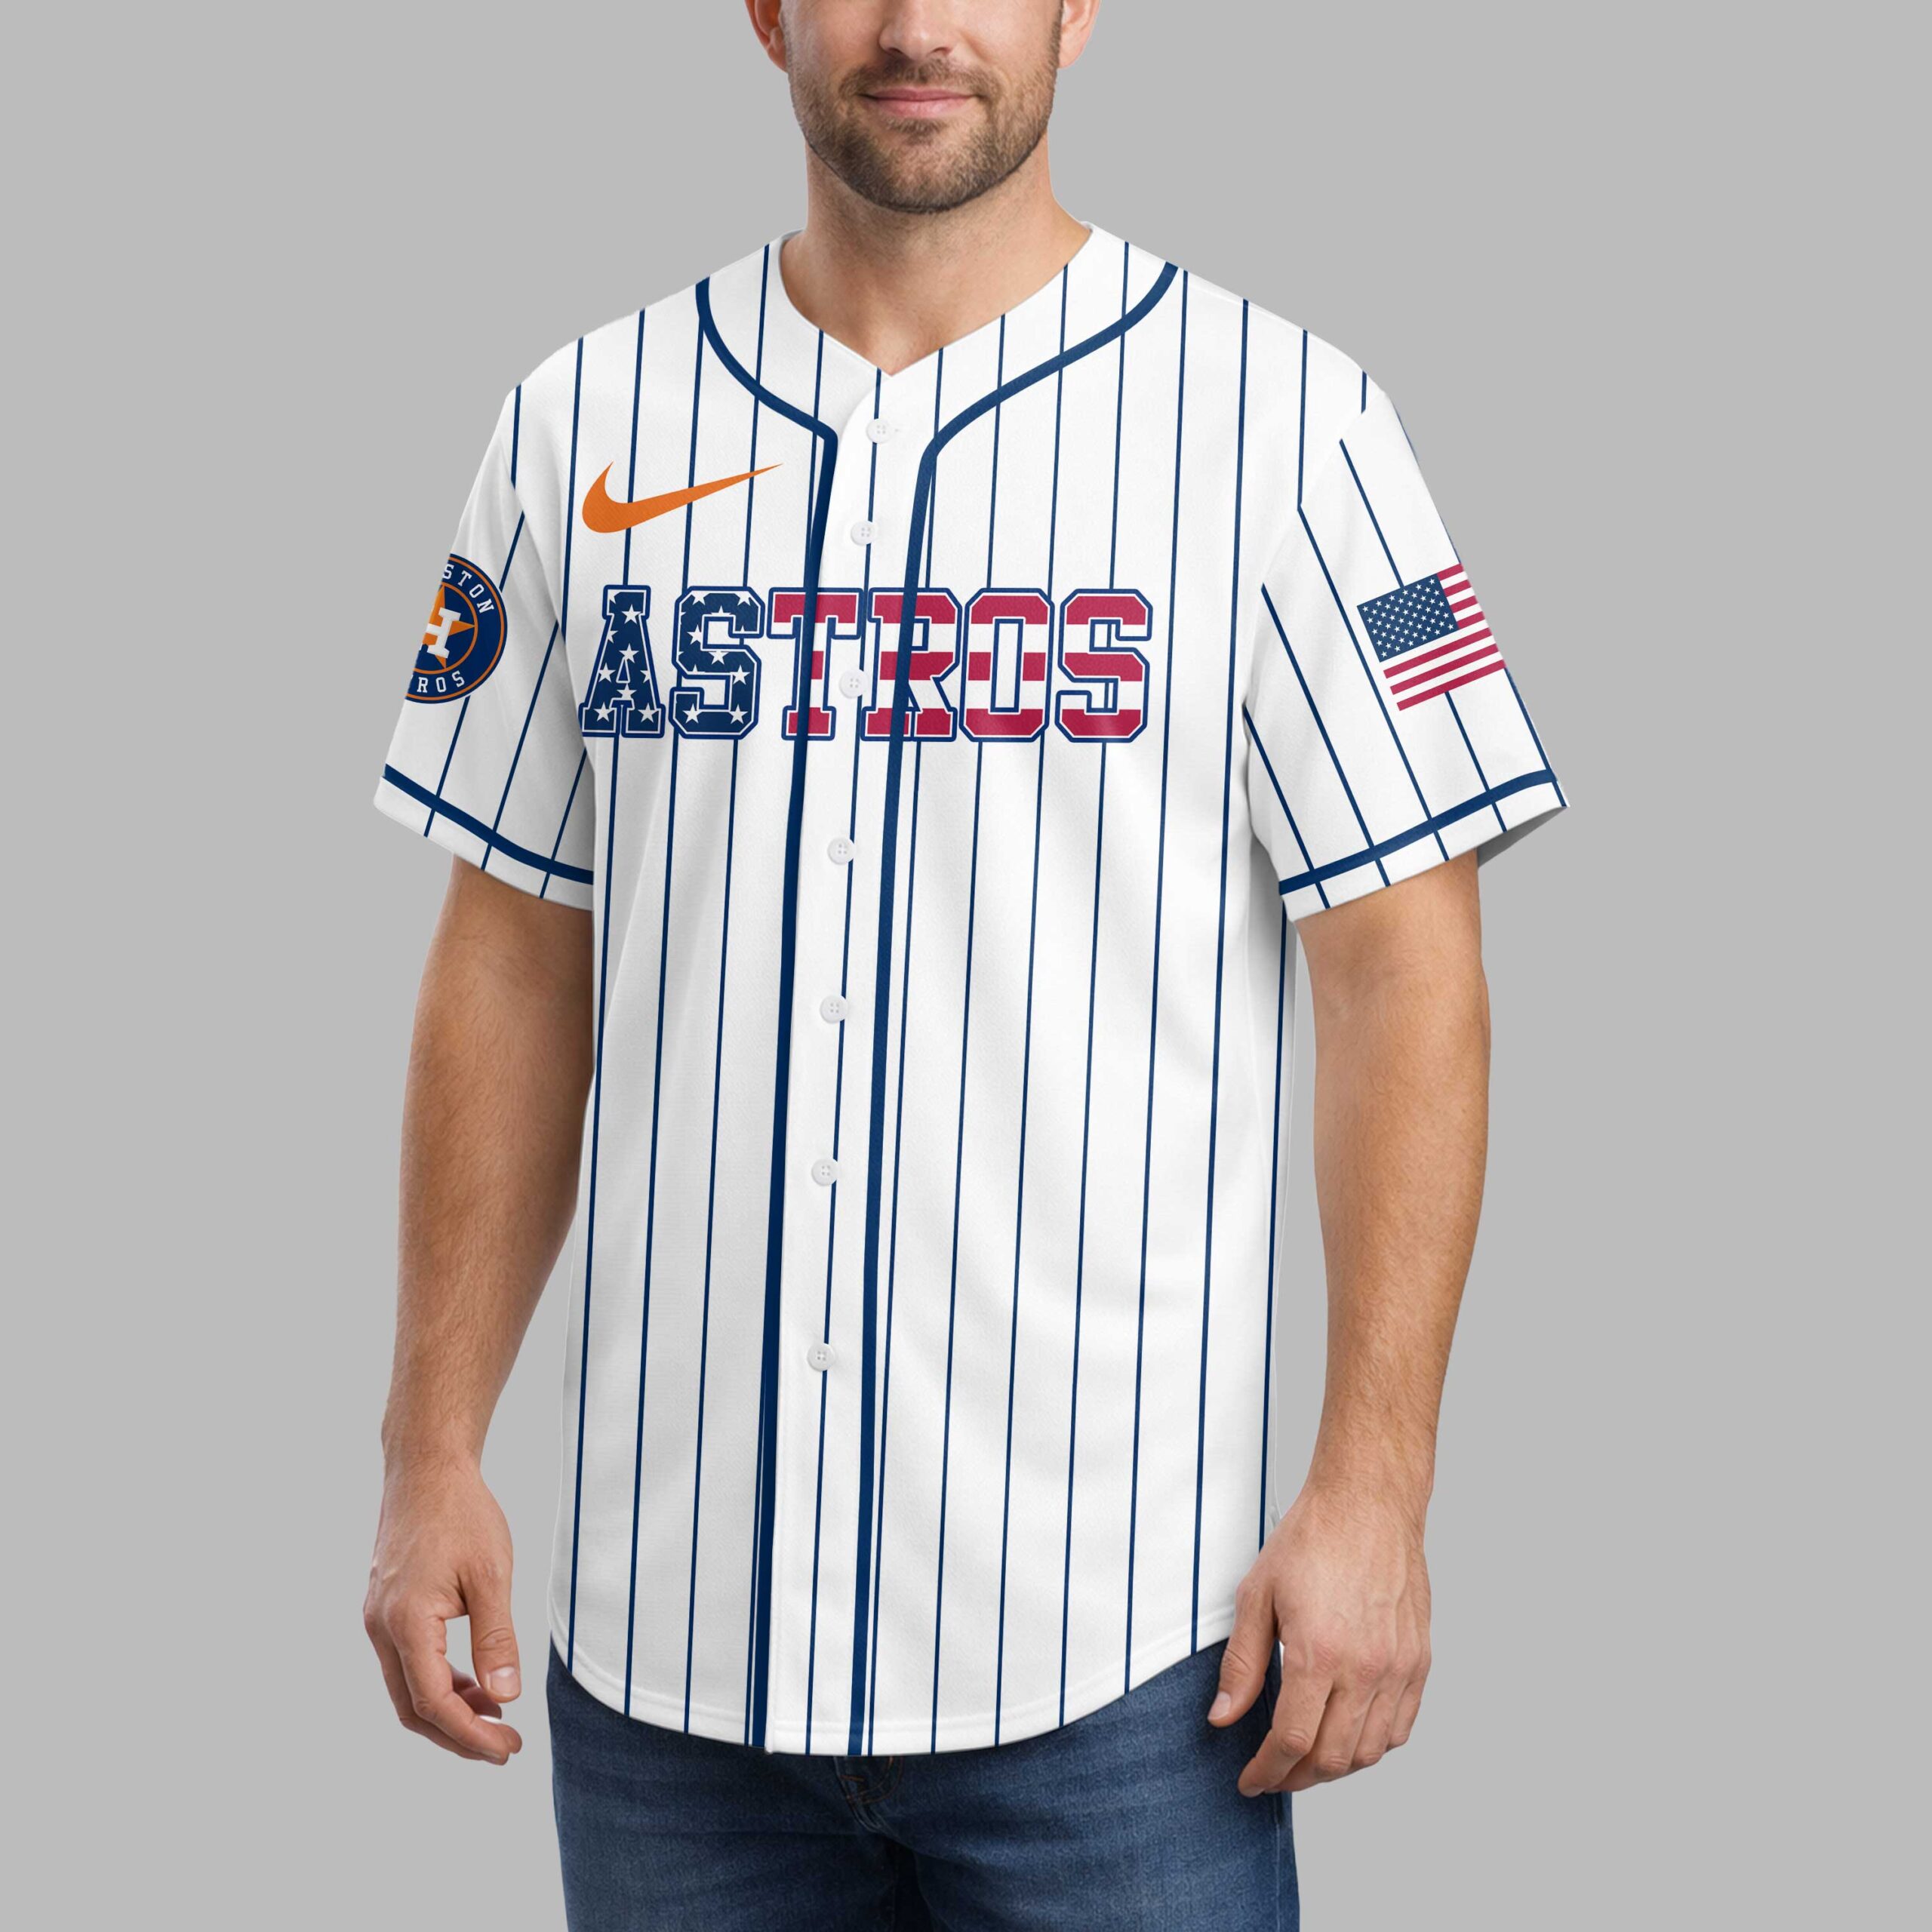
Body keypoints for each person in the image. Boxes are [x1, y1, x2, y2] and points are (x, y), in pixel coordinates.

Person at [362, 2, 1566, 1924]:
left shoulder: (1287, 425)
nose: (918, 26)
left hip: (1125, 1667)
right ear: (765, 11)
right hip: (666, 1663)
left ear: (1078, 9)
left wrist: (1374, 1488)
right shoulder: (579, 422)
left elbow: (1403, 975)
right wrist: (430, 1446)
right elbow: (511, 958)